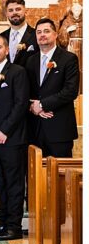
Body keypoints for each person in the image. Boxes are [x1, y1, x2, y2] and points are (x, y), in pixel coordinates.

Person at [0, 34, 29, 242]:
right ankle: (2, 223)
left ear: (7, 50)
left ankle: (14, 227)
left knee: (14, 185)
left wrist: (4, 132)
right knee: (0, 184)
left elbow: (20, 104)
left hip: (12, 140)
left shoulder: (17, 72)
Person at [25, 18, 80, 158]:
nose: (42, 35)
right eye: (39, 32)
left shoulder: (69, 59)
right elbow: (25, 90)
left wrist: (43, 105)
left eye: (46, 31)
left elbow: (71, 91)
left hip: (59, 128)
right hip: (34, 128)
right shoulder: (30, 61)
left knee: (60, 175)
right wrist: (32, 107)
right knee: (35, 175)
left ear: (55, 34)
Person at [4, 0, 38, 67]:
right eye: (10, 10)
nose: (14, 13)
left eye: (18, 9)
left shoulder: (36, 35)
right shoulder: (2, 36)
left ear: (25, 11)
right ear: (6, 14)